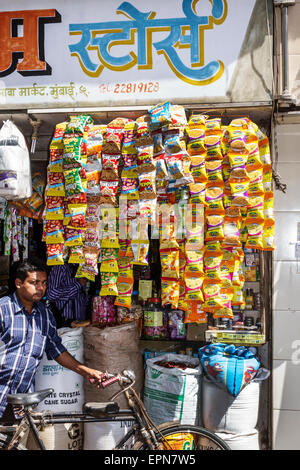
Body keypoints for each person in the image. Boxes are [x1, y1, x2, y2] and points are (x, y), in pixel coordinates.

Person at [0, 259, 103, 423]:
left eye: (44, 283)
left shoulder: (45, 314)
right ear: (19, 283)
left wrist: (87, 371)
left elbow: (57, 350)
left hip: (19, 399)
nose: (40, 288)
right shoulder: (3, 309)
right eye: (34, 282)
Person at [46, 264, 89, 328]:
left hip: (80, 323)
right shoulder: (60, 267)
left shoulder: (84, 268)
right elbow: (51, 294)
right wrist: (78, 285)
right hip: (64, 324)